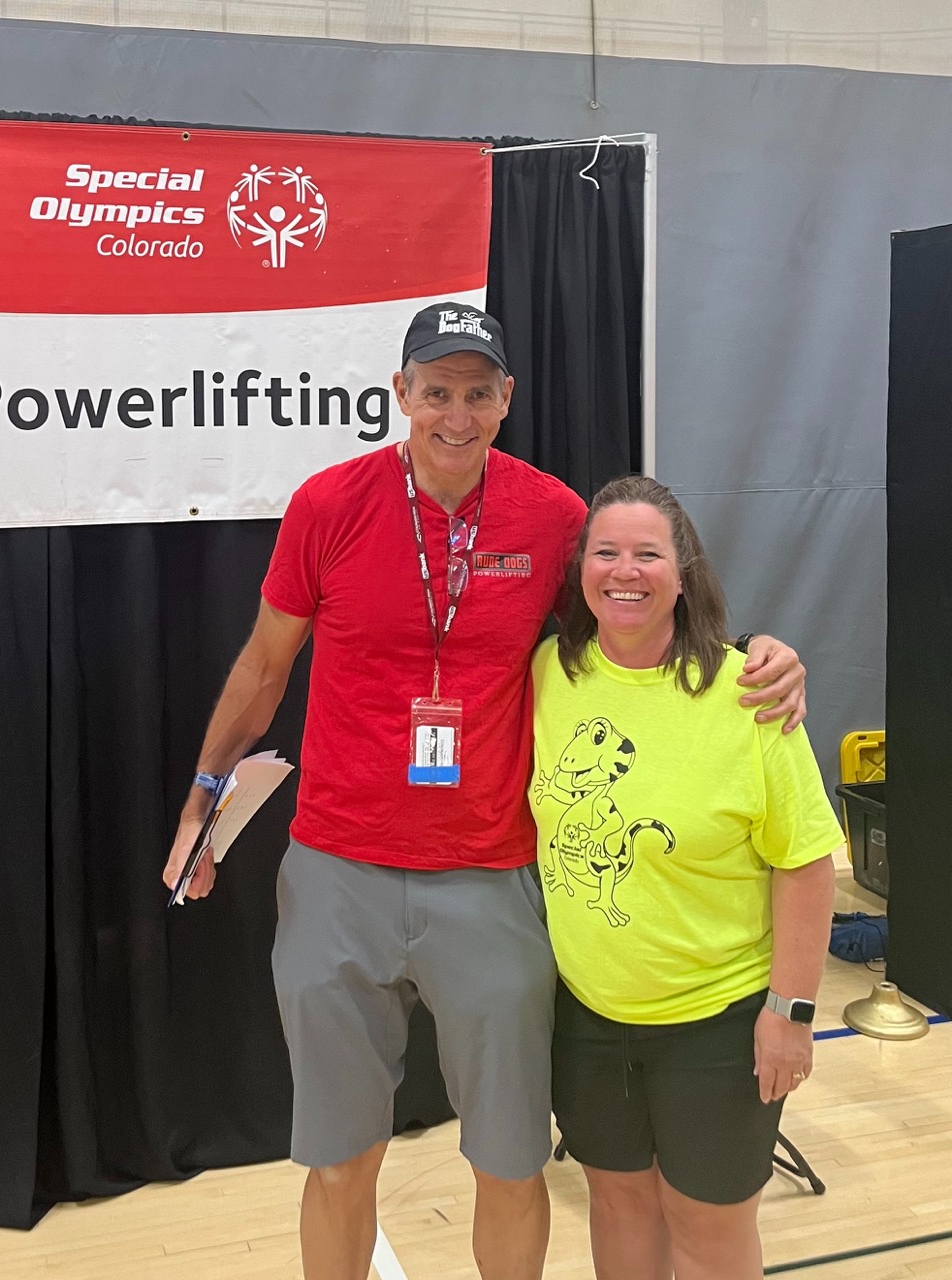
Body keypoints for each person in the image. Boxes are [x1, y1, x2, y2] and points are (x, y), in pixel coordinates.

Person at [163, 302, 807, 1280]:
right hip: (338, 870)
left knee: (509, 1163)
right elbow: (262, 668)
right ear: (401, 395)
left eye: (476, 393)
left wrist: (759, 650)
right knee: (338, 1160)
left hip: (491, 876)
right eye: (436, 392)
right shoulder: (328, 505)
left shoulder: (553, 517)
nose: (455, 415)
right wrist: (199, 805)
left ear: (506, 398)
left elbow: (635, 612)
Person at [529, 475, 842, 1280]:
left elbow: (806, 863)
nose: (624, 571)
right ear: (581, 569)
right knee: (619, 1206)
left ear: (684, 571)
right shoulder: (548, 675)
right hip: (588, 1017)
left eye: (647, 553)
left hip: (717, 1024)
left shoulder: (749, 695)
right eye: (605, 552)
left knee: (707, 1225)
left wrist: (792, 1013)